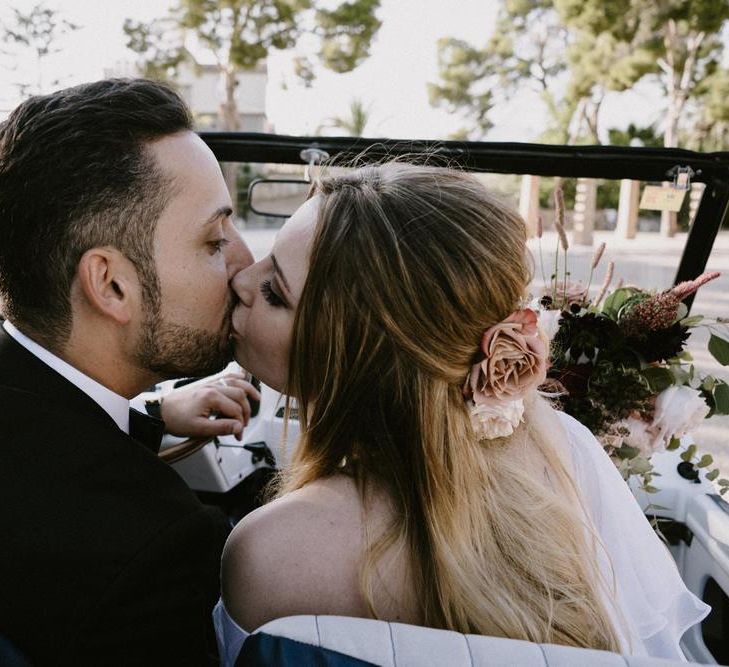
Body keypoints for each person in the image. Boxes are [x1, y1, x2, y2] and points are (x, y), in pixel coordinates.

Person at [218, 162, 710, 664]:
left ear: (362, 363)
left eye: (275, 292)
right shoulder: (567, 450)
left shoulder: (269, 554)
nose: (241, 278)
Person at [0, 79, 258, 666]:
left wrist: (154, 414)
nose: (244, 268)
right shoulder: (156, 547)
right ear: (112, 285)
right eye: (215, 240)